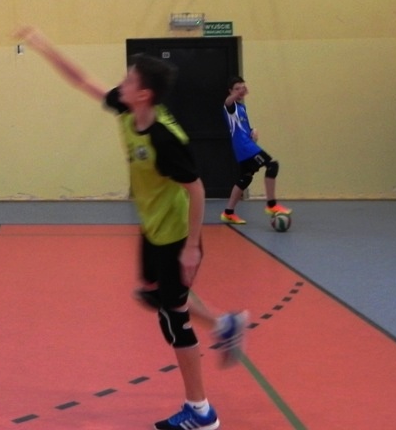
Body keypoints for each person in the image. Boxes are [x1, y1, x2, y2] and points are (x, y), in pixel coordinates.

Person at [15, 25, 247, 430]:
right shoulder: (127, 110)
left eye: (129, 81)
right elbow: (82, 79)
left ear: (144, 95)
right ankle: (224, 324)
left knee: (174, 318)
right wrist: (43, 45)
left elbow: (196, 189)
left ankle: (201, 412)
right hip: (152, 228)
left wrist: (192, 247)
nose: (120, 85)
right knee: (153, 295)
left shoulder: (165, 138)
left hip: (175, 236)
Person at [220, 77, 291, 225]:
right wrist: (235, 95)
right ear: (230, 91)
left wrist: (252, 131)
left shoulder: (242, 108)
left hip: (245, 146)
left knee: (245, 178)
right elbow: (227, 102)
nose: (240, 91)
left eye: (242, 87)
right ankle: (271, 205)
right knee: (272, 165)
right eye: (236, 89)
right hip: (245, 147)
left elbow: (242, 128)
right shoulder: (231, 107)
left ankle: (228, 213)